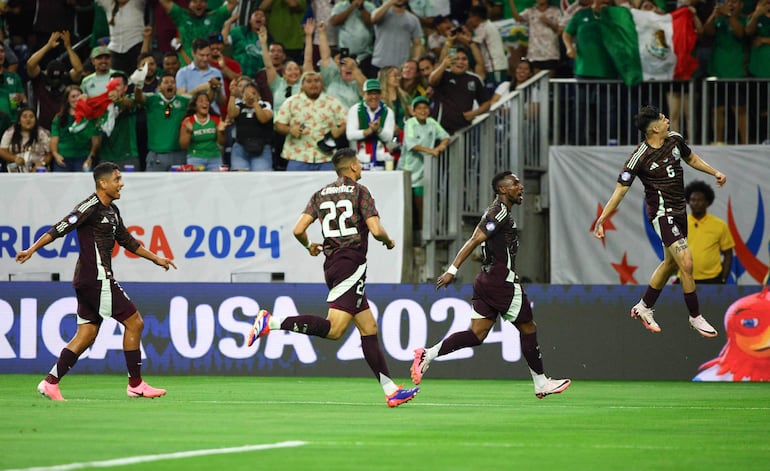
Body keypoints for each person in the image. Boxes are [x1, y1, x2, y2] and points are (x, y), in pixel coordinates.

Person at [246, 147, 419, 408]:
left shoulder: (319, 194)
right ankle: (272, 321)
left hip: (334, 264)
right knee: (335, 329)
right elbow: (375, 229)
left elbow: (298, 229)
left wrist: (309, 246)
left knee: (368, 328)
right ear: (351, 168)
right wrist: (388, 240)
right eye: (359, 163)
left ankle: (390, 389)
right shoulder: (361, 192)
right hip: (350, 263)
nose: (360, 166)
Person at [16, 161, 177, 401]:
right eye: (117, 179)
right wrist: (31, 249)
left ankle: (50, 383)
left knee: (87, 334)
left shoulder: (112, 210)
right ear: (103, 183)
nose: (121, 183)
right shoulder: (89, 207)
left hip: (88, 280)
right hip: (96, 278)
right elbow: (60, 228)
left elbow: (128, 241)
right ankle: (136, 384)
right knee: (135, 323)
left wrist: (156, 259)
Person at [412, 171, 571, 399]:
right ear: (503, 190)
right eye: (515, 183)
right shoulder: (499, 212)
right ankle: (541, 383)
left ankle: (428, 354)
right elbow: (475, 239)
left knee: (477, 334)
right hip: (501, 281)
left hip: (486, 281)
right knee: (528, 327)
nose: (521, 186)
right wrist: (452, 270)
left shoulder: (499, 212)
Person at [594, 105, 726, 337]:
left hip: (679, 213)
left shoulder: (675, 139)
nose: (668, 120)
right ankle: (695, 316)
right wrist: (602, 219)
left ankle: (644, 306)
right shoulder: (639, 157)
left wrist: (714, 172)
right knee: (686, 261)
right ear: (654, 127)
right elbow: (620, 191)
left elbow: (691, 158)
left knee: (671, 264)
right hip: (662, 214)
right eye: (663, 119)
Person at [274, 71, 347, 171]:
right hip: (298, 157)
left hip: (326, 157)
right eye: (309, 81)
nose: (313, 84)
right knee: (296, 187)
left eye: (316, 81)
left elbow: (346, 122)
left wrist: (339, 130)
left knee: (329, 187)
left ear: (321, 84)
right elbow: (278, 125)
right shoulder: (291, 102)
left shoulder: (333, 102)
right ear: (302, 85)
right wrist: (290, 129)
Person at [398, 95, 450, 231]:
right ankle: (406, 235)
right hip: (407, 170)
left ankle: (422, 235)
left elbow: (445, 136)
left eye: (425, 108)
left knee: (421, 205)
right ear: (413, 111)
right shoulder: (410, 123)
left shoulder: (432, 122)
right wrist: (431, 151)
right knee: (406, 206)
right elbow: (411, 144)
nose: (423, 111)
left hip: (423, 172)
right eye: (419, 108)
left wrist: (441, 146)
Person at [134, 72, 190, 171]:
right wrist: (138, 85)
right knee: (153, 186)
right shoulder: (152, 100)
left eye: (172, 82)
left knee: (180, 187)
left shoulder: (183, 101)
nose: (170, 84)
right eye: (166, 82)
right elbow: (138, 98)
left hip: (178, 154)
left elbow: (204, 101)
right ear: (159, 87)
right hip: (156, 155)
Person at [682, 180, 735, 284]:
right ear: (688, 201)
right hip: (685, 277)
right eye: (693, 200)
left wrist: (723, 278)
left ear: (707, 202)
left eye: (700, 200)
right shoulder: (680, 224)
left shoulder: (720, 225)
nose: (696, 203)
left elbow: (728, 254)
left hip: (713, 279)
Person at [346, 78, 396, 169]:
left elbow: (388, 137)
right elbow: (350, 135)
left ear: (381, 95)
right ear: (363, 94)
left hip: (382, 159)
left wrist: (378, 130)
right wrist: (367, 131)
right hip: (360, 159)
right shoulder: (355, 110)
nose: (373, 97)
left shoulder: (388, 111)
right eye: (370, 93)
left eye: (376, 93)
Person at [226, 78, 274, 171]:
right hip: (240, 148)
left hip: (261, 149)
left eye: (253, 93)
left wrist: (255, 103)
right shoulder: (239, 105)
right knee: (240, 179)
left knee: (260, 179)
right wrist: (232, 95)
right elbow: (231, 114)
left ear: (259, 95)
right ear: (243, 95)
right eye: (247, 93)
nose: (250, 96)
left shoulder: (265, 105)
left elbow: (263, 119)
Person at [50, 85, 99, 172]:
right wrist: (56, 155)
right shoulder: (59, 118)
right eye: (73, 96)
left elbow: (95, 140)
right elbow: (54, 138)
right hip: (63, 158)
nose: (76, 99)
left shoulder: (90, 117)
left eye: (79, 96)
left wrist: (90, 157)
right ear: (67, 100)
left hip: (83, 158)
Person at [179, 90, 227, 171]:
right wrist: (189, 132)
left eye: (207, 100)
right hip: (195, 159)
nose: (205, 103)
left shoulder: (216, 119)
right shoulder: (188, 121)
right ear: (195, 106)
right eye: (201, 101)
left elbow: (222, 142)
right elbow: (183, 146)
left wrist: (221, 131)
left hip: (214, 158)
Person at [0, 107, 51, 172]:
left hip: (38, 169)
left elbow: (50, 154)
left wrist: (42, 163)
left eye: (31, 117)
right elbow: (2, 151)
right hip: (15, 169)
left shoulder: (42, 133)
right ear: (19, 121)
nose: (28, 119)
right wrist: (14, 158)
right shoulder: (10, 132)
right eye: (24, 117)